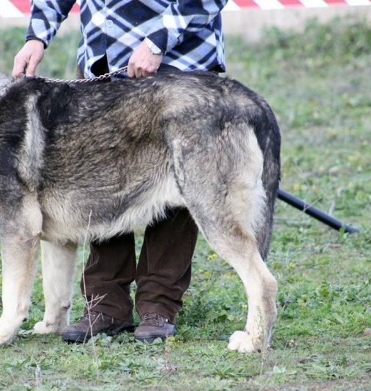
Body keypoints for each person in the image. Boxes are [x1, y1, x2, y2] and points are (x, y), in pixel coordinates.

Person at [13, 0, 227, 343]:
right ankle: (105, 303)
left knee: (176, 188)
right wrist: (36, 36)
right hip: (103, 61)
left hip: (182, 61)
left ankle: (159, 304)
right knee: (100, 182)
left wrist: (157, 41)